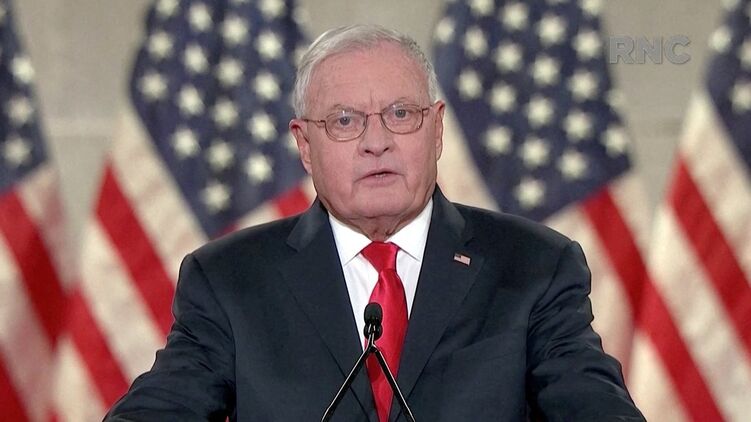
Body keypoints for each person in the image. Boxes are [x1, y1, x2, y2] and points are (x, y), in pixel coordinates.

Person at [106, 24, 645, 421]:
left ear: (437, 130)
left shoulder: (534, 267)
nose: (376, 141)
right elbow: (163, 408)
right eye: (344, 121)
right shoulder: (229, 280)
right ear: (304, 145)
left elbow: (592, 406)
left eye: (400, 114)